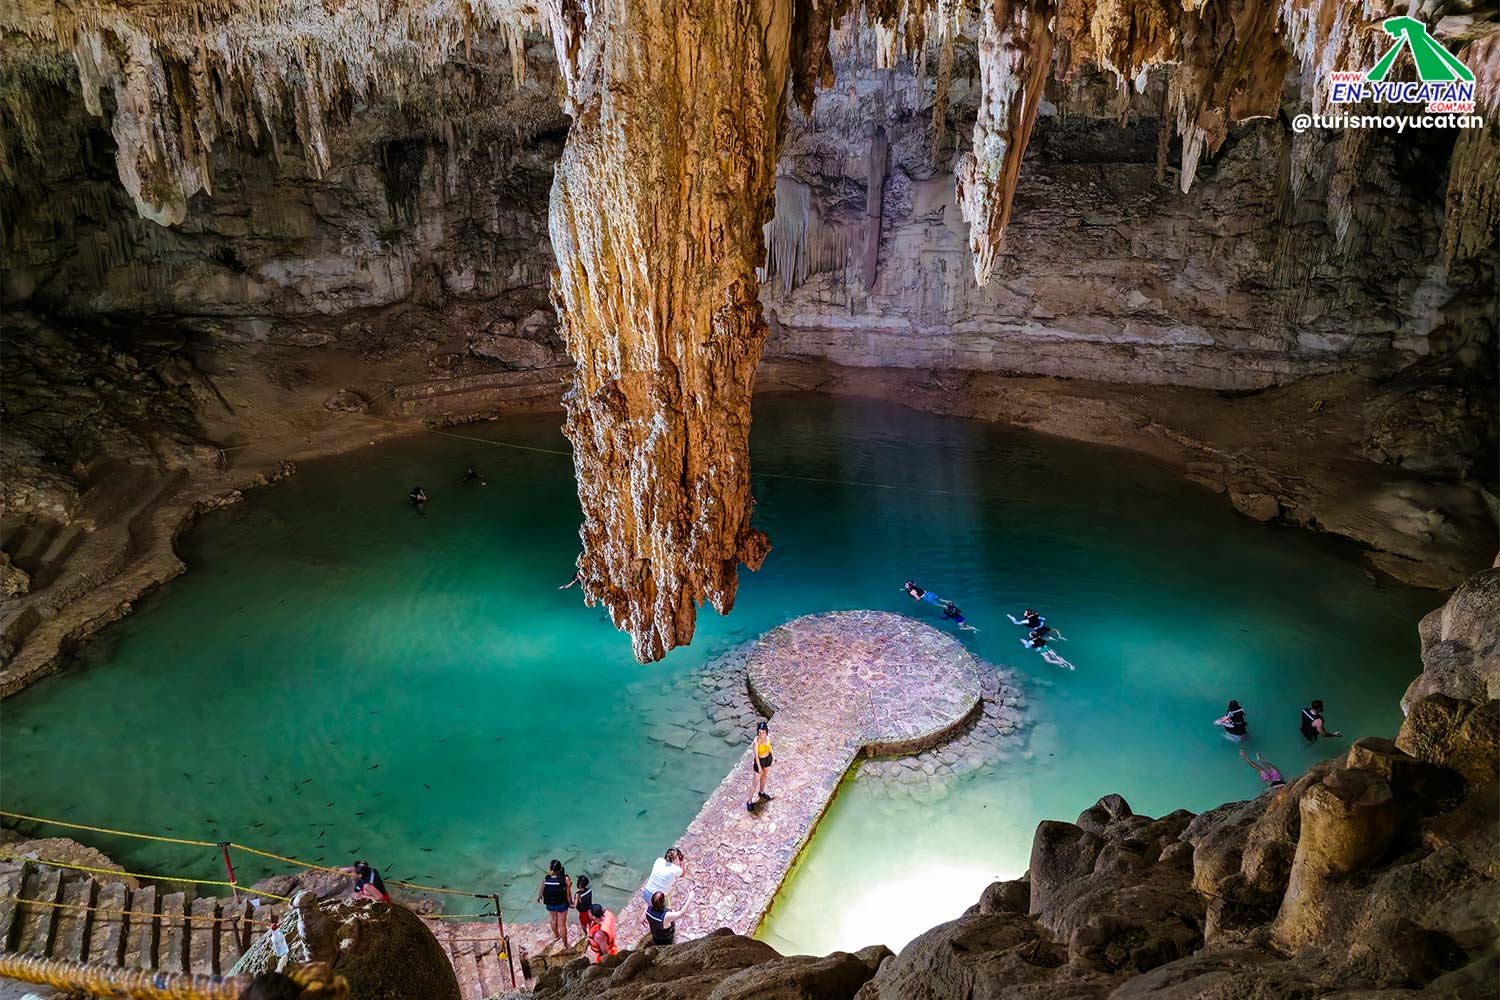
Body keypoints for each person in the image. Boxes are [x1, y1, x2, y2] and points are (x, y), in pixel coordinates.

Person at [537, 859, 573, 947]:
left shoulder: (546, 879)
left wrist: (539, 897)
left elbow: (541, 890)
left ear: (551, 870)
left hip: (550, 904)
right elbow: (568, 894)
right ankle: (565, 944)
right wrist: (570, 902)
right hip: (561, 904)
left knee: (553, 919)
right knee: (562, 924)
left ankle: (556, 936)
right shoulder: (565, 879)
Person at [746, 721, 773, 812]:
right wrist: (759, 767)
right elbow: (756, 756)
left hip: (768, 758)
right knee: (755, 782)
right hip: (760, 761)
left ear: (766, 732)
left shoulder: (768, 738)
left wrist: (773, 757)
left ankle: (761, 792)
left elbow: (770, 748)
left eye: (763, 732)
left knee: (764, 776)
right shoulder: (756, 742)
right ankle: (749, 801)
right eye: (759, 733)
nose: (761, 735)